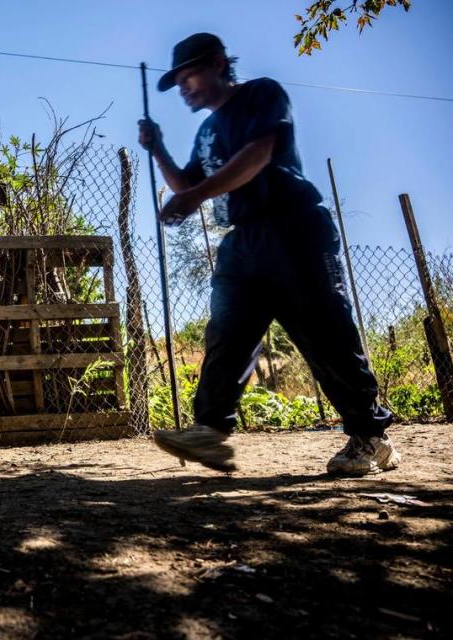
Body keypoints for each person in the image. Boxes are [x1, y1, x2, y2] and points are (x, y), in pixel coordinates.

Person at [140, 33, 398, 475]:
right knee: (227, 334)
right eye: (178, 81)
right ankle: (210, 432)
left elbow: (257, 156)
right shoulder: (206, 131)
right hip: (242, 240)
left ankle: (370, 437)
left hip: (294, 226)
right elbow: (187, 185)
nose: (184, 88)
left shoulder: (263, 94)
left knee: (325, 332)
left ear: (220, 64)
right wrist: (158, 148)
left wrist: (196, 195)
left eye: (189, 76)